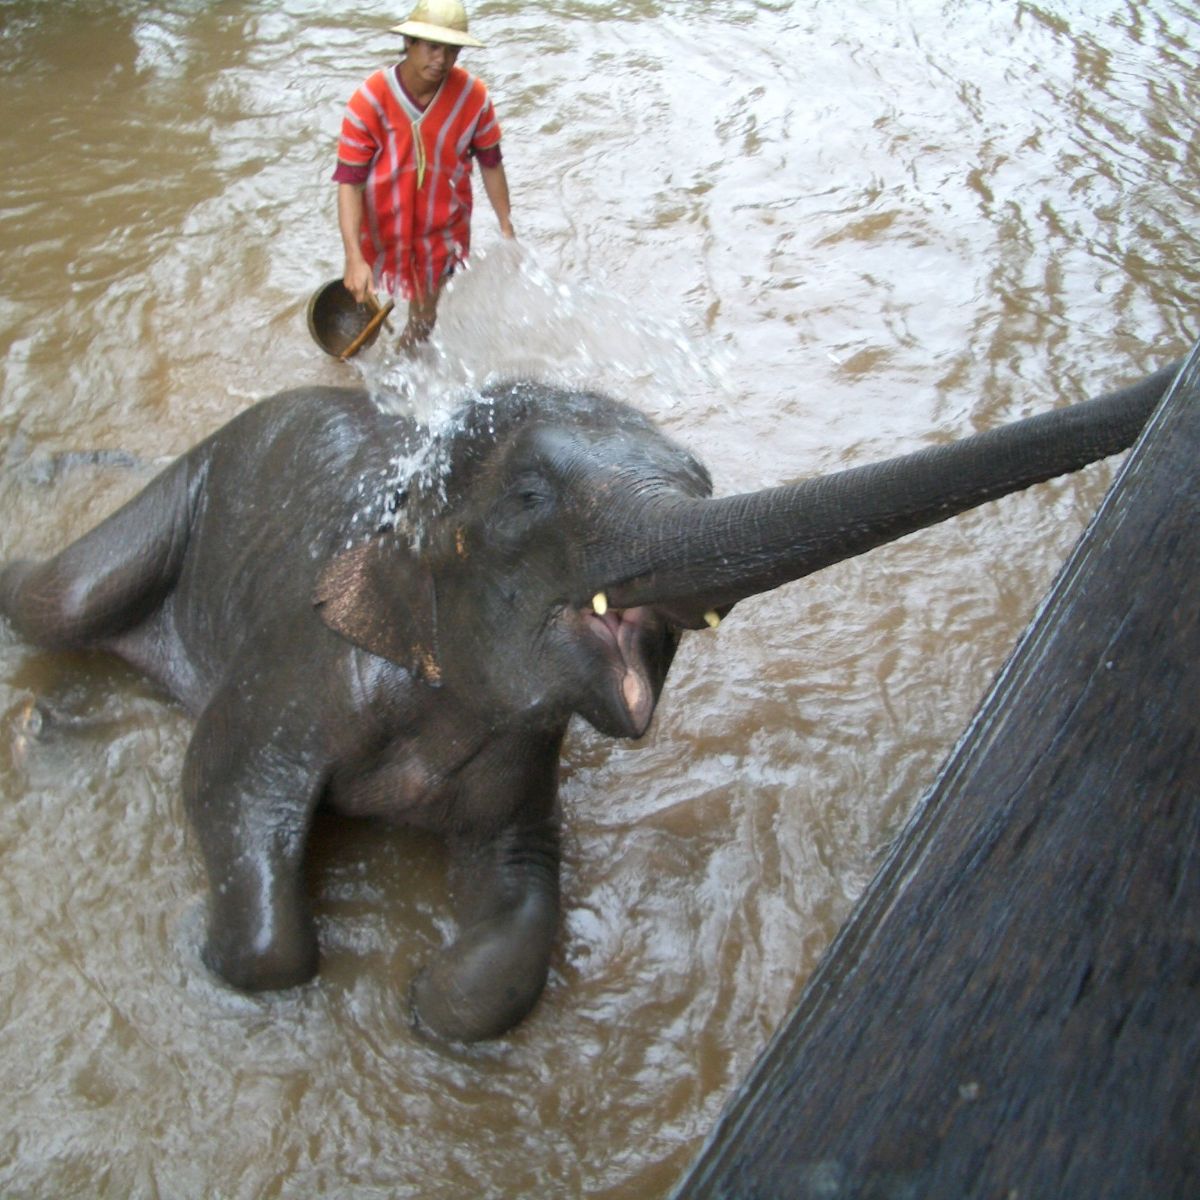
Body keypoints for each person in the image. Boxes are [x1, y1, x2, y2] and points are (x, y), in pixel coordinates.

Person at [333, 0, 515, 350]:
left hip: (442, 228)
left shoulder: (473, 98)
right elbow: (350, 183)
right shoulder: (370, 100)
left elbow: (491, 162)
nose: (441, 61)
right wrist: (353, 257)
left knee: (424, 317)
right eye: (432, 47)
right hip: (382, 223)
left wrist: (506, 225)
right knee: (362, 289)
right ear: (410, 43)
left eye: (451, 50)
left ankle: (404, 367)